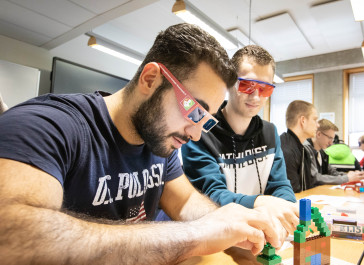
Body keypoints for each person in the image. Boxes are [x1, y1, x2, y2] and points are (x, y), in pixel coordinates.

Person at [0, 24, 283, 264]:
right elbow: (11, 236)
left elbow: (185, 202)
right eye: (195, 112)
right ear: (150, 79)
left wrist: (236, 231)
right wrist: (196, 234)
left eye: (206, 120)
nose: (196, 135)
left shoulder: (159, 142)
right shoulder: (46, 125)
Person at [181, 45, 298, 235]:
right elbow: (211, 195)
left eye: (265, 88)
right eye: (247, 85)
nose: (256, 96)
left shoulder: (270, 132)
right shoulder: (199, 132)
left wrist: (286, 210)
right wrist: (260, 202)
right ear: (229, 83)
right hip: (216, 234)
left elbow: (280, 185)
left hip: (259, 231)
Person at [304, 119, 364, 185]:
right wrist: (347, 178)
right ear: (319, 134)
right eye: (329, 138)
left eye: (332, 139)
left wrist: (351, 175)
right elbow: (315, 178)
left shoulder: (322, 153)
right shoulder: (306, 150)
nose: (331, 143)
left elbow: (331, 172)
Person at [280, 100, 319, 192]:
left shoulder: (302, 148)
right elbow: (293, 194)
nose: (318, 125)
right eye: (315, 119)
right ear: (303, 121)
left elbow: (308, 185)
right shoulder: (286, 151)